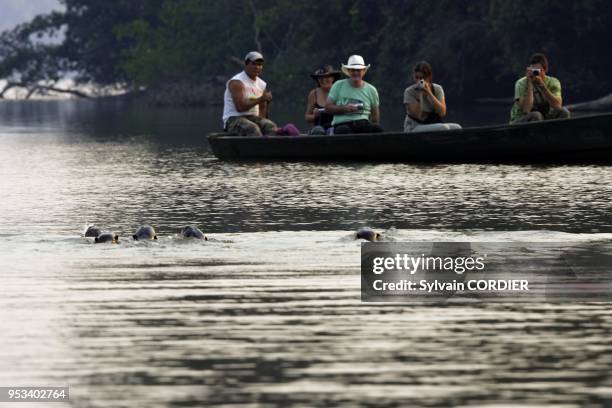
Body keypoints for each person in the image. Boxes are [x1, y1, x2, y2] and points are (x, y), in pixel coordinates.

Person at [222, 51, 277, 136]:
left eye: (259, 65)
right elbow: (240, 107)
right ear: (246, 64)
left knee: (271, 126)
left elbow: (262, 108)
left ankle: (270, 148)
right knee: (253, 129)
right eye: (254, 64)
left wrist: (263, 123)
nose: (257, 67)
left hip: (252, 118)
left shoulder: (262, 84)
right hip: (234, 119)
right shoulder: (237, 82)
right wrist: (261, 99)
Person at [325, 55, 383, 134]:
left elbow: (375, 118)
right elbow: (328, 108)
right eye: (353, 70)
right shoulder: (338, 85)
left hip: (363, 124)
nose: (355, 73)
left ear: (363, 71)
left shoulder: (371, 90)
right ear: (348, 71)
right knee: (344, 131)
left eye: (358, 70)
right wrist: (345, 108)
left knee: (377, 129)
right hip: (342, 124)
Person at [510, 53, 570, 123]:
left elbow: (558, 105)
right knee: (536, 115)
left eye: (538, 71)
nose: (535, 74)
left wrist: (542, 85)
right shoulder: (521, 83)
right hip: (521, 119)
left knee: (564, 112)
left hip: (545, 117)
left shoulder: (553, 82)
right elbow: (526, 110)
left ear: (545, 70)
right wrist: (530, 83)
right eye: (533, 70)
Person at [403, 61, 462, 133]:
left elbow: (442, 113)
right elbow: (419, 115)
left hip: (431, 124)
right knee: (444, 128)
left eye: (421, 78)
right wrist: (420, 94)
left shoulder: (437, 88)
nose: (418, 81)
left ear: (429, 77)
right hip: (414, 127)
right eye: (416, 78)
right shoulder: (409, 92)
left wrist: (429, 93)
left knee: (457, 128)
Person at [305, 65, 341, 135]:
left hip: (336, 128)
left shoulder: (339, 92)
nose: (324, 80)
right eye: (321, 77)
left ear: (332, 78)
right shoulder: (314, 93)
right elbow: (307, 117)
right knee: (318, 131)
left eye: (327, 77)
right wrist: (315, 116)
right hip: (319, 130)